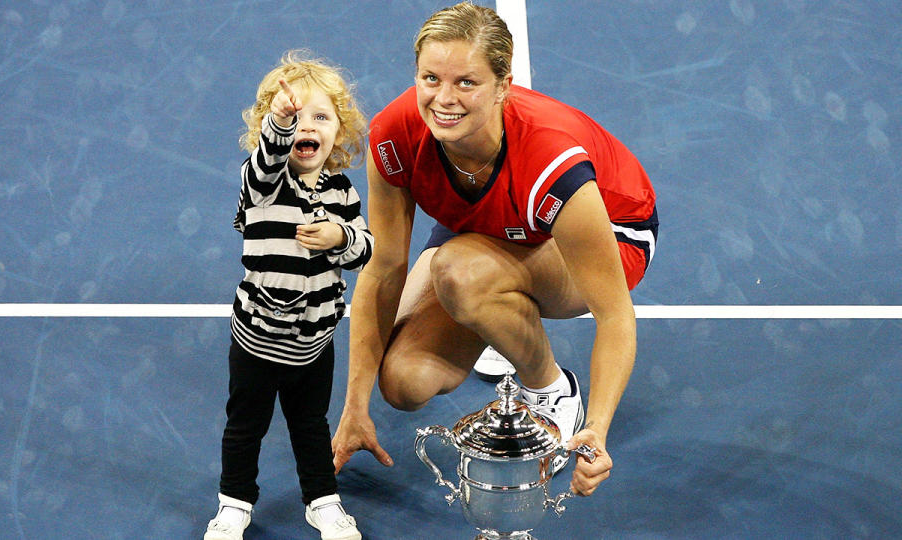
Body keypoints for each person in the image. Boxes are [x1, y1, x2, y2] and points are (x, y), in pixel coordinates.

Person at [331, 2, 657, 498]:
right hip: (486, 226)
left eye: (467, 82)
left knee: (460, 273)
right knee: (403, 382)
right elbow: (383, 270)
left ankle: (550, 387)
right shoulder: (395, 136)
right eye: (430, 78)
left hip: (609, 231)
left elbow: (615, 314)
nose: (444, 98)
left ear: (504, 85)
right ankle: (496, 315)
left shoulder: (550, 159)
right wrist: (355, 406)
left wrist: (598, 428)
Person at [204, 51, 372, 540]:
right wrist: (280, 122)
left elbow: (365, 250)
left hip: (315, 344)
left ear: (338, 133)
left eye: (321, 117)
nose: (307, 126)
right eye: (294, 118)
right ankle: (234, 504)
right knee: (245, 427)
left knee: (310, 426)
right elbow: (266, 161)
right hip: (257, 339)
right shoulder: (261, 185)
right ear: (269, 131)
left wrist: (340, 238)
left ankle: (323, 502)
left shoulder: (342, 193)